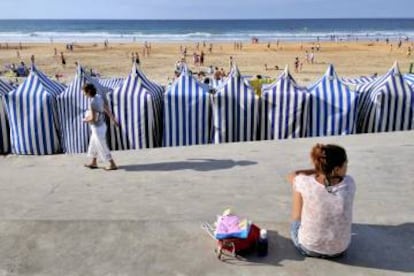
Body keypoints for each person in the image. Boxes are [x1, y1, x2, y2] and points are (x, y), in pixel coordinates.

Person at [287, 144, 355, 258]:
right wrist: (325, 170)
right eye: (345, 163)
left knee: (296, 217)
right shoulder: (350, 183)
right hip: (340, 250)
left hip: (309, 248)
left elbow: (293, 175)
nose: (347, 166)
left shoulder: (304, 182)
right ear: (337, 169)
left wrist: (320, 169)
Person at [82, 83, 118, 171]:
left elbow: (93, 119)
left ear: (88, 92)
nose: (83, 94)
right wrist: (113, 119)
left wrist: (85, 120)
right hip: (102, 125)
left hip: (97, 127)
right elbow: (106, 108)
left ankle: (112, 163)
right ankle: (94, 162)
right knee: (93, 143)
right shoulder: (98, 97)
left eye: (84, 92)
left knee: (102, 145)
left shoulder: (92, 103)